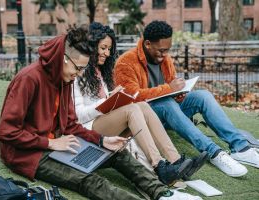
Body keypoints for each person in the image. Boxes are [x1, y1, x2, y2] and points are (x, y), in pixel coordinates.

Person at [0, 25, 202, 200]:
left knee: (117, 152)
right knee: (86, 179)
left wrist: (102, 141)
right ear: (64, 59)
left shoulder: (64, 79)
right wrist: (50, 143)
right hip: (31, 154)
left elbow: (70, 125)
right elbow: (6, 131)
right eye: (77, 69)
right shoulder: (28, 79)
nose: (78, 75)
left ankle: (163, 194)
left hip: (62, 142)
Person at [114, 20, 259, 177]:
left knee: (203, 95)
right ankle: (215, 153)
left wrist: (178, 93)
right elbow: (131, 98)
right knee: (166, 103)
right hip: (145, 118)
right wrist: (169, 90)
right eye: (161, 51)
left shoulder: (165, 58)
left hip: (168, 111)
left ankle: (241, 148)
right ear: (148, 44)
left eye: (167, 50)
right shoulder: (125, 62)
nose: (164, 55)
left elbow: (171, 86)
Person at [74, 22, 208, 186]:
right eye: (103, 48)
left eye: (109, 49)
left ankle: (175, 161)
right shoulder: (77, 72)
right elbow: (78, 115)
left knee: (142, 106)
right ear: (91, 46)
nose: (107, 53)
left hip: (103, 121)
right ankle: (159, 165)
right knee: (132, 109)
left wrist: (113, 97)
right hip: (88, 129)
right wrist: (108, 101)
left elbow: (100, 102)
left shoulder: (99, 71)